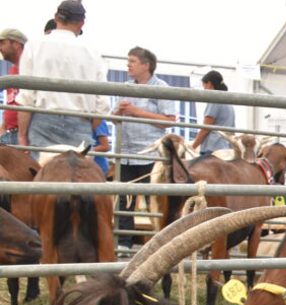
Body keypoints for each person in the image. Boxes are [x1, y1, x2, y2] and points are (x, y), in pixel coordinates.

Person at [17, 1, 108, 155]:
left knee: (43, 173)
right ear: (81, 23)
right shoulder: (92, 52)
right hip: (80, 122)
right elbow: (102, 103)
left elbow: (27, 96)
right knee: (79, 174)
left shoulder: (34, 45)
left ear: (56, 18)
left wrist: (22, 135)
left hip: (43, 122)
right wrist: (86, 125)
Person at [112, 46, 177, 248]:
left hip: (150, 155)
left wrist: (136, 111)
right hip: (126, 153)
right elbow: (113, 118)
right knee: (124, 200)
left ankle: (160, 243)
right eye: (128, 61)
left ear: (146, 65)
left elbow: (169, 120)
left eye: (132, 61)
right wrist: (119, 113)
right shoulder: (125, 87)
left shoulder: (161, 88)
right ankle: (123, 243)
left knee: (154, 201)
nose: (128, 65)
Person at [190, 70, 235, 155]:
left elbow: (205, 128)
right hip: (227, 148)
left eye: (205, 87)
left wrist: (192, 147)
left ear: (209, 84)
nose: (204, 90)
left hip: (213, 149)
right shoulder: (228, 102)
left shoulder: (214, 100)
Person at [0, 28, 27, 146]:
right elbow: (11, 103)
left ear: (16, 44)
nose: (0, 48)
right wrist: (3, 128)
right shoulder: (13, 70)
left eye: (2, 43)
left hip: (23, 135)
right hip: (10, 134)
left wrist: (23, 135)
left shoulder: (29, 69)